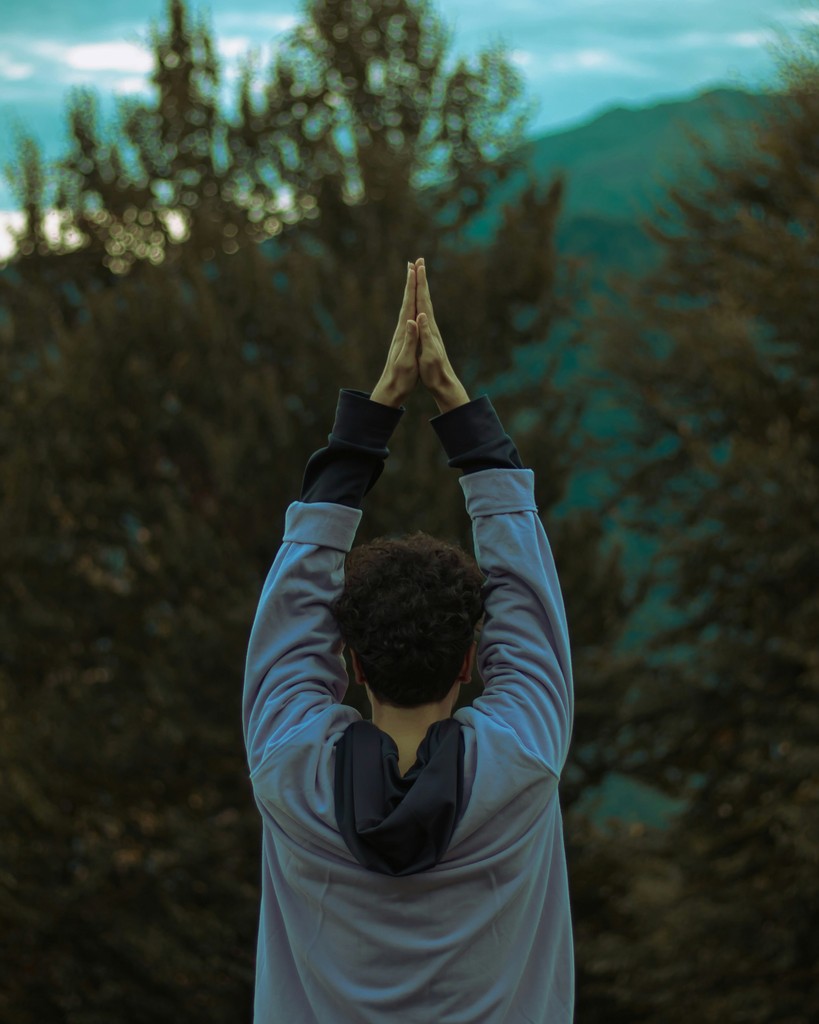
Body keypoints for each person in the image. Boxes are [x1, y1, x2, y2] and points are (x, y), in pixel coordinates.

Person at [242, 258, 575, 1023]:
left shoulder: (287, 765)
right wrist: (450, 404)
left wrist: (373, 418)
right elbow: (531, 604)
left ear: (351, 662)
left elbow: (288, 615)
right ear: (471, 661)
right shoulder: (522, 760)